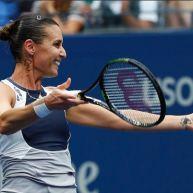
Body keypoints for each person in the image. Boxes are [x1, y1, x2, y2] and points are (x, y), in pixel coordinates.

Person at [0, 14, 192, 193]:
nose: (63, 53)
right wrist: (47, 104)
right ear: (30, 47)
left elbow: (119, 118)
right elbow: (4, 122)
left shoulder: (56, 97)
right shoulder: (6, 90)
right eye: (57, 44)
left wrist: (185, 121)